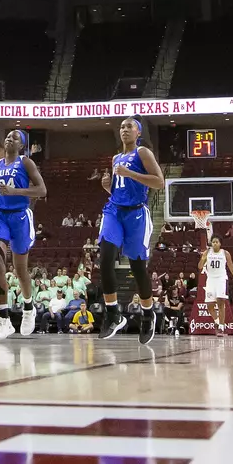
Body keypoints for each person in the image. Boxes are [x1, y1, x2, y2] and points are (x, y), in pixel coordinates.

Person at [96, 118, 165, 344]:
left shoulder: (142, 152)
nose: (124, 130)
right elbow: (120, 189)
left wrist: (130, 174)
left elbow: (159, 182)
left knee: (137, 268)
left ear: (138, 133)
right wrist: (108, 187)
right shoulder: (116, 158)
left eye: (129, 127)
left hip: (136, 213)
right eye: (122, 127)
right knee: (105, 257)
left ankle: (147, 314)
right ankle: (114, 313)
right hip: (114, 210)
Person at [0, 129, 47, 340]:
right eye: (8, 135)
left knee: (21, 270)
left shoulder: (26, 163)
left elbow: (42, 190)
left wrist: (16, 192)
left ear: (21, 145)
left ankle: (29, 308)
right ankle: (4, 321)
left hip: (20, 216)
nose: (10, 138)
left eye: (15, 137)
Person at [198, 234, 233, 335]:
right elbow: (200, 267)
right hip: (210, 280)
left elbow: (232, 268)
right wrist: (202, 258)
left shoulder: (225, 253)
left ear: (220, 243)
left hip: (221, 279)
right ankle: (217, 322)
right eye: (213, 242)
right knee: (209, 305)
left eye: (216, 242)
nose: (215, 243)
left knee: (220, 302)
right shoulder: (207, 252)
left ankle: (221, 327)